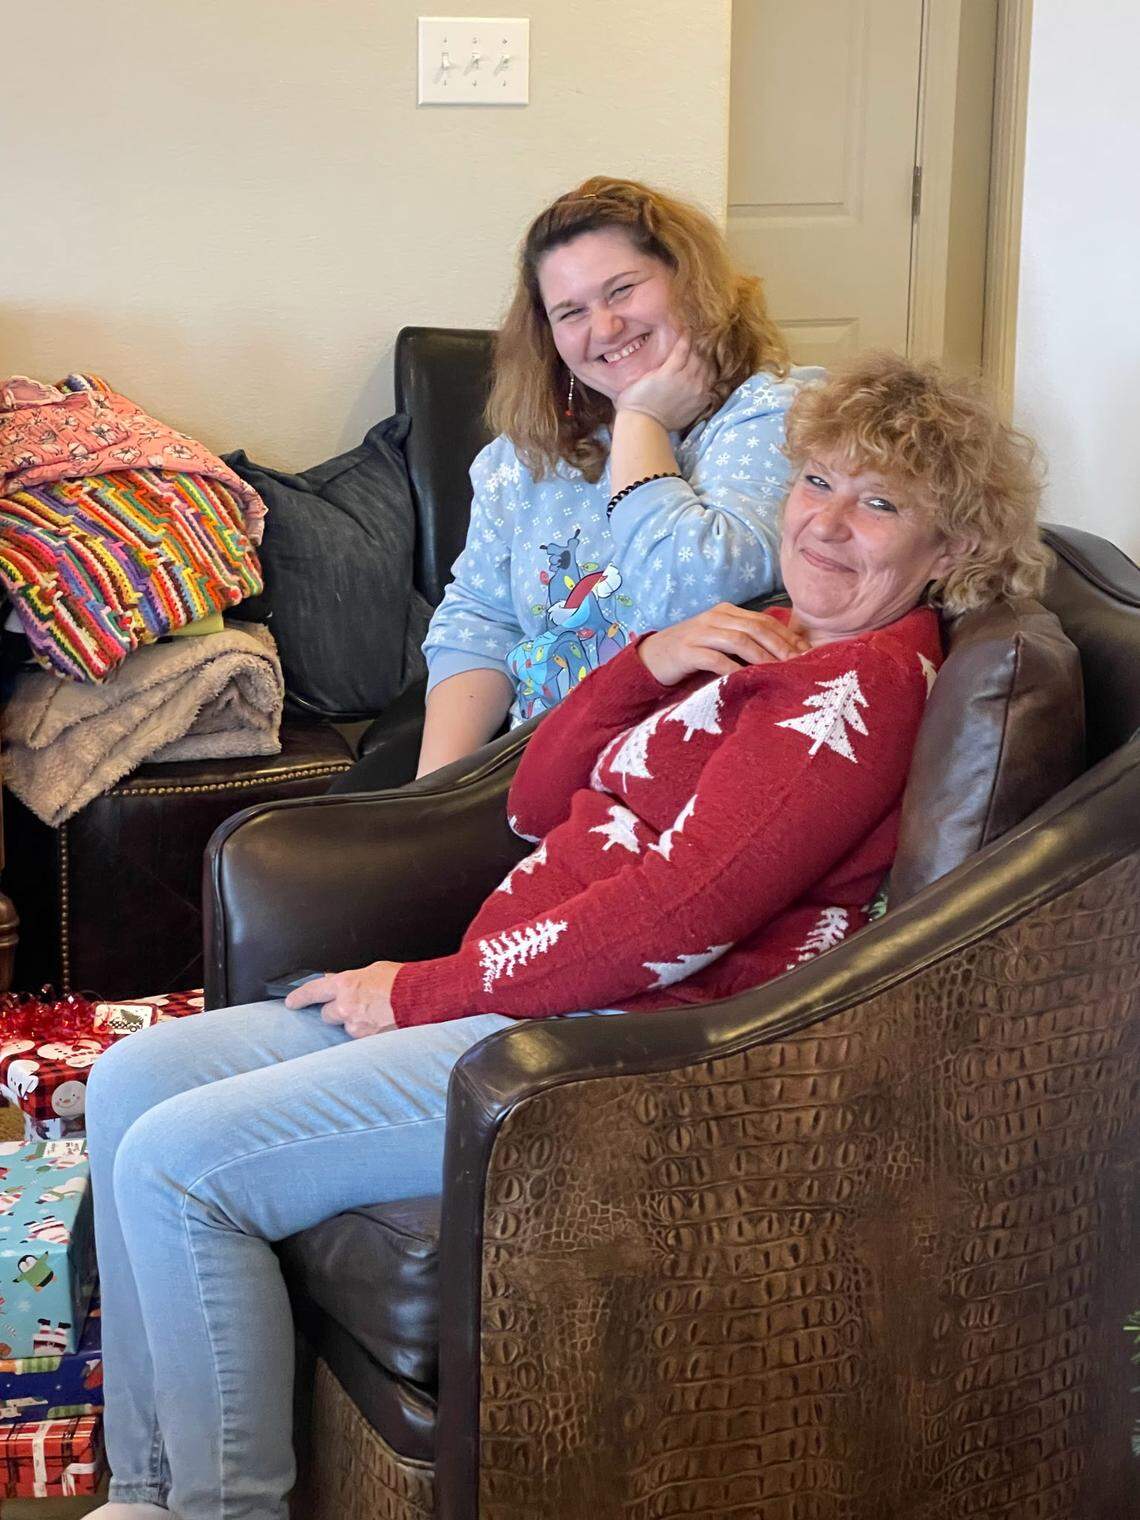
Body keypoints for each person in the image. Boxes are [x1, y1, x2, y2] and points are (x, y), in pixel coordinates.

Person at [85, 354, 1049, 1520]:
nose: (826, 522)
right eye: (816, 480)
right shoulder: (768, 634)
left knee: (181, 1161)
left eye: (880, 502)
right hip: (529, 1000)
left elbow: (676, 920)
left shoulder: (860, 692)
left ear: (950, 548)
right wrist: (646, 662)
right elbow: (537, 800)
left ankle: (218, 1509)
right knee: (134, 1076)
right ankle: (149, 1490)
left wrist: (419, 989)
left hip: (607, 1050)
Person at [399, 175, 820, 780]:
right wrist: (435, 795)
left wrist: (641, 421)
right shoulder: (522, 454)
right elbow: (480, 619)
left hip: (670, 778)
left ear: (689, 281)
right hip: (533, 767)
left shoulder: (778, 414)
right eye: (571, 312)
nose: (604, 328)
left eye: (622, 290)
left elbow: (692, 591)